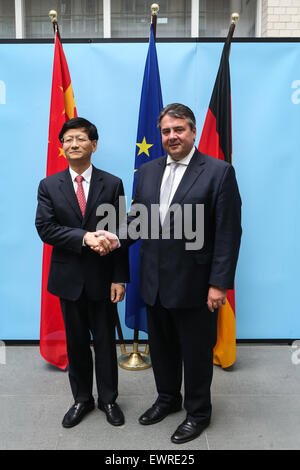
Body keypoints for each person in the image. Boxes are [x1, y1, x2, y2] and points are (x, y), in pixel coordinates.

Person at [97, 103, 242, 444]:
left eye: (179, 130)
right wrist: (113, 236)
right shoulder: (147, 172)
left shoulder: (219, 172)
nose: (172, 136)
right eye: (166, 131)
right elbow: (137, 220)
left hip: (195, 284)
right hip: (154, 281)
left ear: (192, 132)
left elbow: (228, 232)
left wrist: (218, 284)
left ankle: (198, 412)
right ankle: (167, 398)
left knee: (194, 352)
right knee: (160, 348)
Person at [35, 117, 129, 428]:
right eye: (68, 140)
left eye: (80, 139)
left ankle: (108, 399)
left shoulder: (112, 183)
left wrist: (119, 277)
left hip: (103, 279)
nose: (73, 144)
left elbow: (121, 232)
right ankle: (81, 399)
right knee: (75, 343)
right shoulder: (49, 185)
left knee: (105, 341)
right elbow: (46, 229)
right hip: (68, 279)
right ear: (62, 147)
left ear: (94, 144)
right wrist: (84, 237)